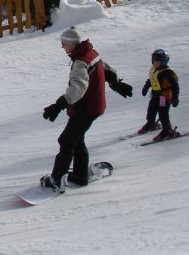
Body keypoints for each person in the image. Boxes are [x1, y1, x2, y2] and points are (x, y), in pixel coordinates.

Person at [40, 26, 133, 192]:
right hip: (94, 106)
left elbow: (79, 87)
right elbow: (105, 68)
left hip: (86, 108)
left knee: (66, 141)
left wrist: (59, 105)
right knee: (77, 138)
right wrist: (116, 82)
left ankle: (56, 181)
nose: (62, 47)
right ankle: (80, 175)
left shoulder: (80, 61)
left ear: (72, 44)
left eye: (64, 44)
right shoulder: (90, 52)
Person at [139, 49, 180, 141]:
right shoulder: (154, 69)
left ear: (164, 62)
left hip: (163, 97)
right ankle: (151, 123)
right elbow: (152, 79)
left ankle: (167, 130)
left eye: (158, 62)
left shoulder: (167, 73)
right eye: (154, 62)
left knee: (162, 113)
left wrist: (175, 97)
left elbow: (175, 86)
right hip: (155, 94)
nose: (155, 64)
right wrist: (146, 87)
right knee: (151, 109)